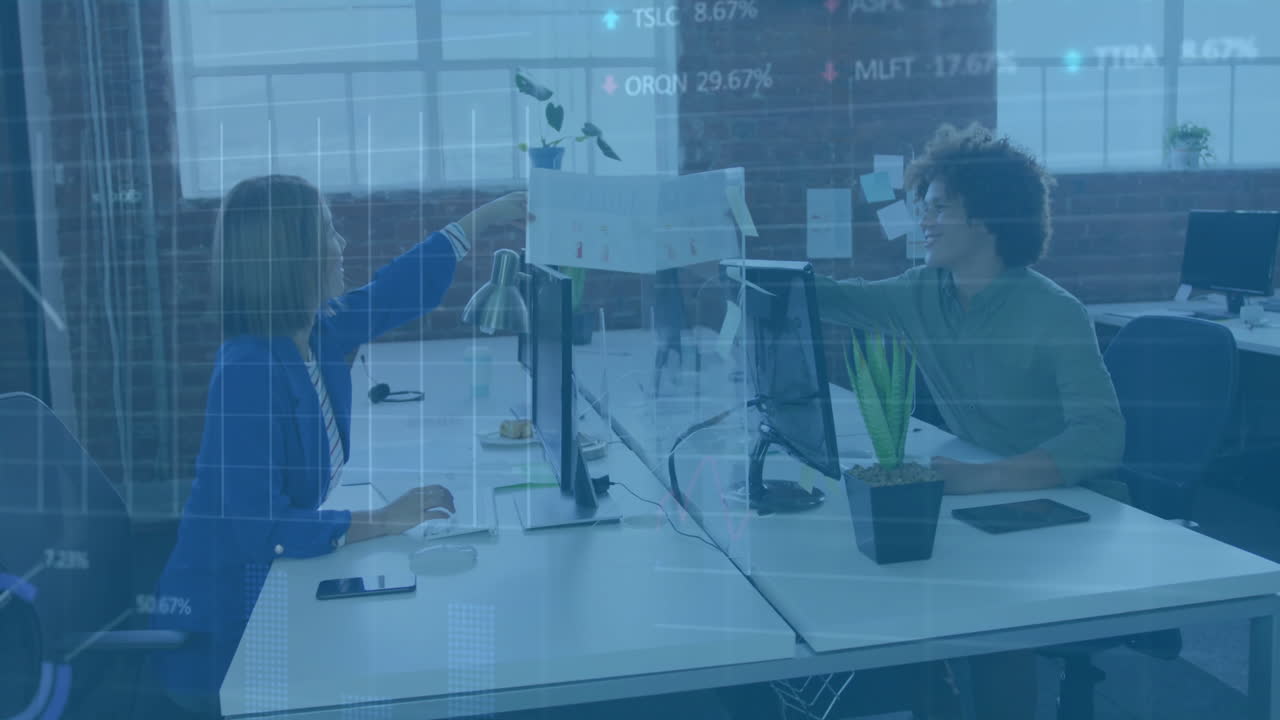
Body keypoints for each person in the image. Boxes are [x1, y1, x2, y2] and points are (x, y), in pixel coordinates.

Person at [722, 124, 1125, 719]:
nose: (925, 222)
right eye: (922, 208)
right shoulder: (924, 292)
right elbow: (829, 296)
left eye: (939, 208)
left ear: (986, 218)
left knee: (991, 619)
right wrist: (745, 266)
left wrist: (979, 480)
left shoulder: (1053, 312)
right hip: (971, 493)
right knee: (900, 582)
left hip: (1057, 508)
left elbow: (1103, 436)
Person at [146, 174, 526, 716]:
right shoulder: (248, 370)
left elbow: (398, 289)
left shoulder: (315, 330)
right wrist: (383, 519)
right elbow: (263, 529)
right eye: (327, 231)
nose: (341, 245)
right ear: (292, 254)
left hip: (275, 591)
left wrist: (486, 219)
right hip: (226, 634)